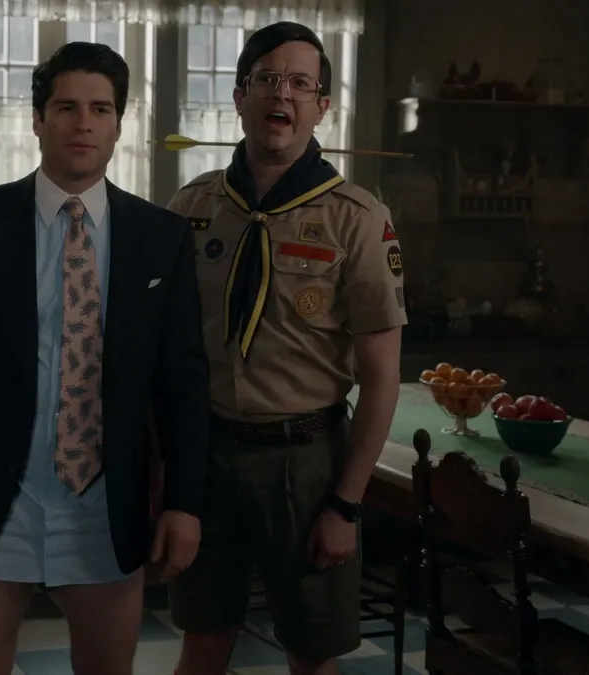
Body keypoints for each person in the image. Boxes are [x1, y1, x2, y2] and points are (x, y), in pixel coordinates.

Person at [0, 41, 210, 675]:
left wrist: (185, 501)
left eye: (100, 109)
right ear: (37, 119)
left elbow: (182, 384)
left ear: (119, 124)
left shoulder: (161, 236)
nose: (83, 123)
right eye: (66, 107)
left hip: (105, 505)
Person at [165, 22, 407, 675]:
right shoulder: (192, 206)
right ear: (240, 96)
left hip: (307, 464)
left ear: (321, 106)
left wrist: (345, 503)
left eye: (301, 83)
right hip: (208, 455)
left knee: (312, 653)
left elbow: (382, 377)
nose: (283, 94)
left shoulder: (357, 218)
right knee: (202, 638)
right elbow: (164, 350)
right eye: (268, 79)